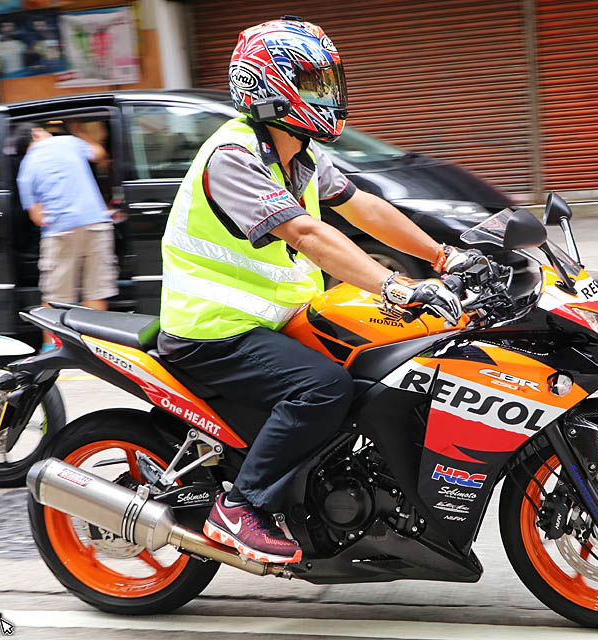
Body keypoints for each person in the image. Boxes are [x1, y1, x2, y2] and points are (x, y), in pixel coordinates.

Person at [158, 17, 478, 564]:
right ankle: (239, 506)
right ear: (269, 86)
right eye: (312, 84)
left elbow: (364, 207)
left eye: (327, 83)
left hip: (277, 319)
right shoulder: (233, 158)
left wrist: (444, 255)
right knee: (324, 387)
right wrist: (395, 285)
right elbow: (307, 234)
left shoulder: (296, 153)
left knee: (386, 366)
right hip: (214, 330)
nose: (326, 96)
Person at [13, 121, 118, 348]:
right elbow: (99, 154)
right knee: (95, 290)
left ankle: (52, 348)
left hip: (60, 231)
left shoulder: (26, 169)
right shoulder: (68, 142)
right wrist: (81, 135)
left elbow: (37, 217)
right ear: (36, 133)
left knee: (56, 297)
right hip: (95, 223)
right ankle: (95, 348)